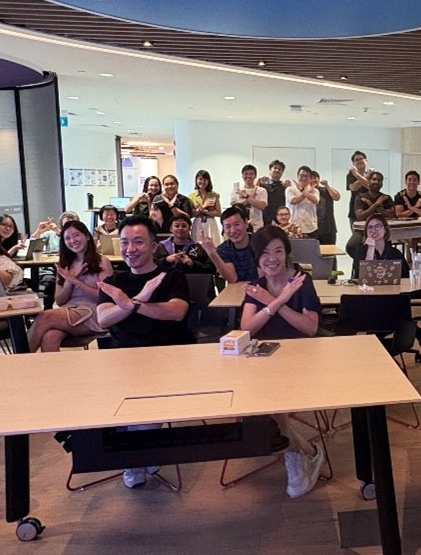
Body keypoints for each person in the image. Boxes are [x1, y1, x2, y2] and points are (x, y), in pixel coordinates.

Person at [96, 216, 192, 487]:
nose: (130, 249)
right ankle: (141, 453)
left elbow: (176, 312)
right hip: (119, 358)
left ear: (153, 246)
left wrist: (131, 306)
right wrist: (138, 299)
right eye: (125, 242)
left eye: (138, 242)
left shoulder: (170, 277)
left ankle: (136, 458)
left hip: (164, 357)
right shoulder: (114, 281)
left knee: (141, 400)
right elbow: (103, 319)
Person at [238, 225, 328, 497]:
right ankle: (307, 451)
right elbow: (247, 328)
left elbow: (310, 328)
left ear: (286, 252)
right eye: (265, 253)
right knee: (255, 404)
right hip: (263, 358)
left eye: (278, 251)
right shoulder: (256, 287)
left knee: (269, 403)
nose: (272, 258)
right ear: (257, 258)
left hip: (301, 359)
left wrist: (277, 302)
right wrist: (274, 302)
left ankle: (297, 454)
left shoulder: (301, 281)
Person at [27, 220, 110, 353]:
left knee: (45, 316)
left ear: (87, 236)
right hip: (69, 311)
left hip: (95, 313)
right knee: (50, 337)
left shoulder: (102, 262)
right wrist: (69, 282)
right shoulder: (65, 264)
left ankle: (18, 363)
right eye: (67, 238)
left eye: (76, 235)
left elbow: (104, 298)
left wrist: (77, 282)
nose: (72, 240)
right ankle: (55, 374)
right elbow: (60, 301)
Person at [202, 207, 258, 284]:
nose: (233, 230)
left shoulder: (259, 243)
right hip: (237, 290)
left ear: (246, 224)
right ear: (223, 229)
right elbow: (232, 279)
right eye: (228, 227)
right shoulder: (223, 249)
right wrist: (212, 254)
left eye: (237, 224)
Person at [345, 214, 408, 278]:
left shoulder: (395, 253)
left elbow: (406, 277)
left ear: (385, 229)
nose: (373, 230)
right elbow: (363, 277)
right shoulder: (360, 252)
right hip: (368, 287)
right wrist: (370, 249)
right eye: (370, 227)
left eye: (377, 226)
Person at [189, 169, 222, 245]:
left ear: (209, 181)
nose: (203, 182)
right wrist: (204, 206)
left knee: (213, 244)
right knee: (197, 245)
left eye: (205, 179)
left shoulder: (214, 195)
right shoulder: (192, 196)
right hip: (198, 223)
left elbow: (219, 213)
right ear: (196, 180)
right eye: (200, 179)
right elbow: (191, 214)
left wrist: (206, 212)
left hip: (210, 223)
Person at [230, 164, 267, 231]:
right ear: (242, 175)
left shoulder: (261, 190)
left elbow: (262, 206)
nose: (248, 176)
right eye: (246, 174)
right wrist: (251, 199)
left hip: (256, 226)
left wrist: (246, 196)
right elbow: (234, 208)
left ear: (255, 176)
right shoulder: (237, 190)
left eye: (251, 174)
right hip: (240, 226)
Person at [286, 166, 319, 237]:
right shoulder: (290, 189)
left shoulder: (315, 190)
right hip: (293, 227)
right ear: (297, 176)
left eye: (306, 176)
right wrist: (306, 192)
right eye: (301, 175)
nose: (304, 178)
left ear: (310, 178)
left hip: (310, 227)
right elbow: (294, 201)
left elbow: (315, 200)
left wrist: (303, 191)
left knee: (311, 248)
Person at [313, 169, 341, 245]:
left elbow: (337, 197)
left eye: (315, 178)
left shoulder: (326, 189)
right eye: (311, 178)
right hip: (313, 229)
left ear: (318, 179)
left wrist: (327, 185)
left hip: (329, 227)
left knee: (330, 253)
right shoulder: (306, 193)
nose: (313, 180)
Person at [259, 160, 289, 227]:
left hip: (280, 220)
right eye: (275, 168)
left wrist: (289, 187)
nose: (277, 170)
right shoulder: (262, 185)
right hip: (264, 219)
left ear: (282, 172)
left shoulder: (285, 187)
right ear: (270, 170)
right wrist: (258, 181)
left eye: (279, 169)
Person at [344, 150, 370, 222]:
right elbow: (353, 188)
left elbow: (369, 186)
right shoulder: (350, 175)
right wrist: (362, 177)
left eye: (361, 159)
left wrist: (357, 175)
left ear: (366, 160)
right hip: (354, 210)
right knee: (356, 233)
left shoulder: (371, 174)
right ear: (353, 163)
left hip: (370, 208)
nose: (359, 161)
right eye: (356, 160)